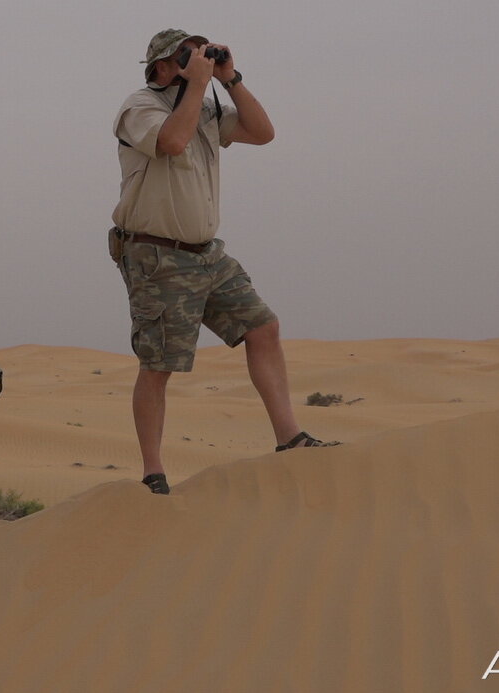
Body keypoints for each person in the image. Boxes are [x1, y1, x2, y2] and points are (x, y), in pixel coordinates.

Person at [111, 29, 338, 495]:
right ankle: (153, 474)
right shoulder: (139, 107)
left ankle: (289, 437)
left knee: (264, 327)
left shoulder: (208, 106)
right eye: (186, 55)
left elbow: (262, 133)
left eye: (201, 52)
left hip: (207, 252)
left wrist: (230, 79)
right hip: (157, 254)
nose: (198, 60)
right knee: (159, 363)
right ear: (160, 66)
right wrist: (198, 84)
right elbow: (172, 141)